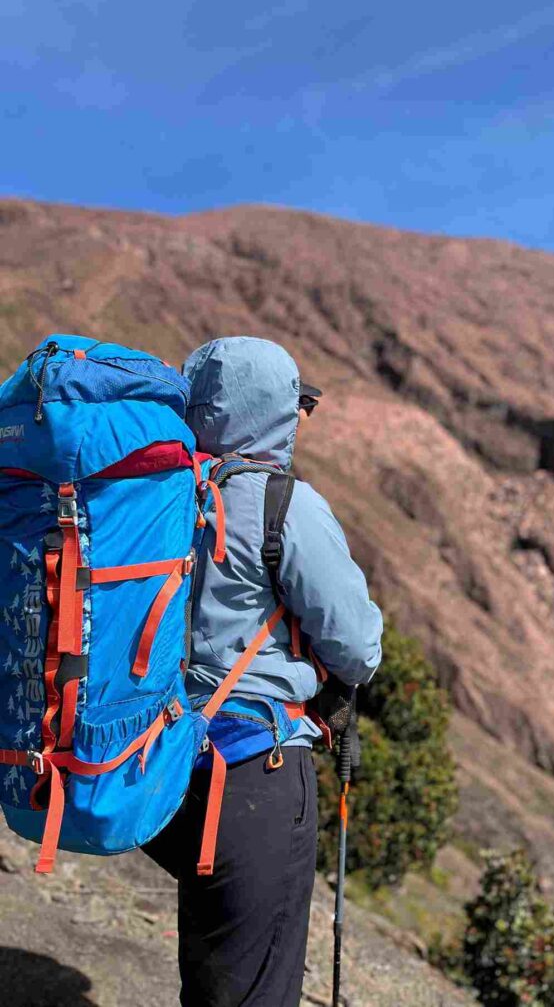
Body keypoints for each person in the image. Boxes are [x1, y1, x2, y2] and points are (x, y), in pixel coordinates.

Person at [143, 335, 383, 1007]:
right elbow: (357, 647)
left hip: (165, 766)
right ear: (273, 410)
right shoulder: (285, 504)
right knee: (253, 988)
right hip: (256, 774)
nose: (304, 417)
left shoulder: (159, 498)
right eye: (299, 403)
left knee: (213, 966)